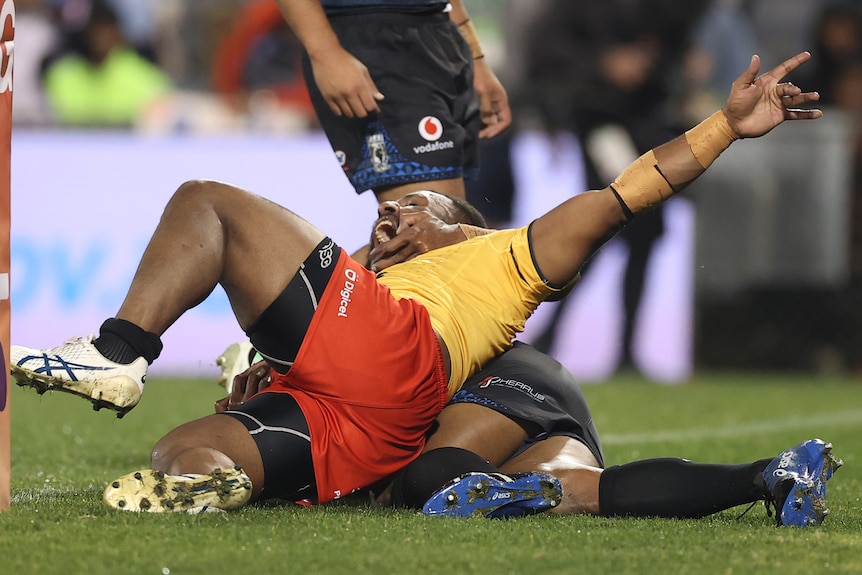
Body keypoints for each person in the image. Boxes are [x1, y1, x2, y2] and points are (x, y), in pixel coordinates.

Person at [11, 52, 824, 516]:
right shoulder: (365, 282)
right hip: (364, 425)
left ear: (459, 219)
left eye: (412, 210)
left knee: (207, 204)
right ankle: (213, 483)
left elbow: (632, 188)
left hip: (406, 364)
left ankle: (119, 351)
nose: (389, 221)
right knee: (180, 446)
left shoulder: (505, 259)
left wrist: (725, 127)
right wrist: (263, 375)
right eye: (385, 216)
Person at [274, 0, 511, 205]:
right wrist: (325, 53)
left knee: (451, 227)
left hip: (439, 30)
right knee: (431, 227)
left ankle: (325, 260)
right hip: (370, 40)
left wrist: (476, 59)